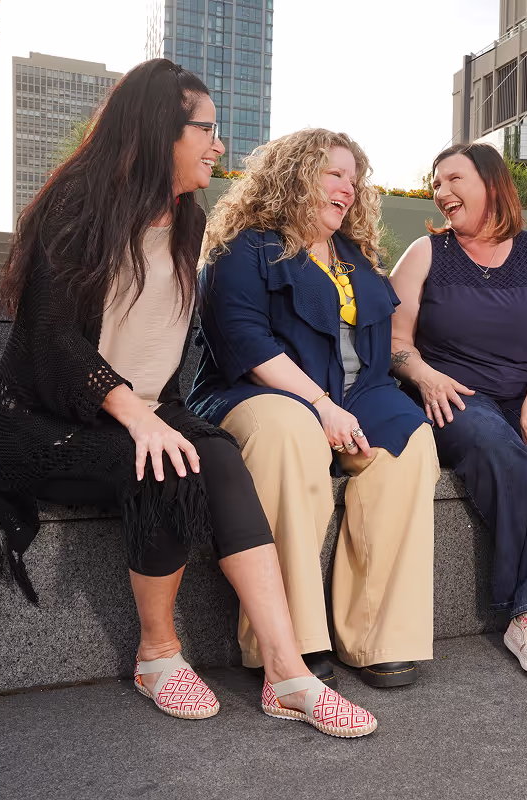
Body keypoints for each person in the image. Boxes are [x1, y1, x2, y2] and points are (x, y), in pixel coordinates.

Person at [0, 59, 377, 738]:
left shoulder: (185, 220)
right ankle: (157, 654)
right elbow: (53, 340)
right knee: (166, 461)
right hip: (43, 425)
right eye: (205, 128)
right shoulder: (76, 209)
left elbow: (165, 350)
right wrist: (136, 416)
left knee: (218, 454)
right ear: (157, 131)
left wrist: (158, 416)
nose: (218, 144)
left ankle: (287, 673)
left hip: (142, 411)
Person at [189, 128, 439, 689]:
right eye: (334, 174)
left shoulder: (355, 257)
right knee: (288, 430)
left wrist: (357, 402)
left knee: (411, 441)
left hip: (356, 395)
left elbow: (375, 353)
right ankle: (288, 639)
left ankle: (379, 635)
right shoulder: (243, 248)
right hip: (254, 393)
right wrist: (321, 405)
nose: (348, 188)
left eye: (354, 178)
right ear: (295, 174)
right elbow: (250, 346)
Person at [389, 143, 527, 679]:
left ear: (491, 182)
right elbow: (394, 342)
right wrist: (424, 375)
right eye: (436, 183)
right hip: (454, 395)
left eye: (453, 179)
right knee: (502, 452)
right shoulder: (425, 253)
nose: (441, 193)